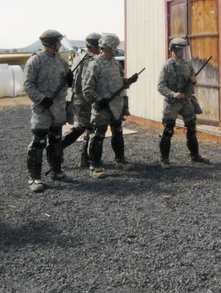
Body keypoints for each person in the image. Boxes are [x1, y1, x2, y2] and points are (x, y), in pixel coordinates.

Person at [81, 34, 139, 177]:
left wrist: (129, 81)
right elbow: (87, 88)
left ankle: (120, 160)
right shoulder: (95, 64)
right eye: (115, 47)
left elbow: (119, 83)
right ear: (107, 48)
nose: (116, 49)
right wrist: (99, 100)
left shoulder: (114, 63)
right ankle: (95, 167)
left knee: (117, 133)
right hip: (102, 108)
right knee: (99, 136)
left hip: (116, 106)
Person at [23, 29, 73, 192]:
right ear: (51, 42)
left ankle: (57, 172)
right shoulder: (36, 61)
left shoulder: (60, 60)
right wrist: (41, 98)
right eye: (58, 41)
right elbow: (28, 85)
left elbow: (65, 83)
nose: (60, 44)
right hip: (43, 109)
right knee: (39, 142)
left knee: (56, 140)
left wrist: (69, 80)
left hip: (58, 108)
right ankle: (34, 178)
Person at [157, 37, 210, 167]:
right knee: (168, 129)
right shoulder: (167, 66)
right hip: (172, 102)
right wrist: (173, 94)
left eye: (184, 50)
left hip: (186, 100)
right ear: (173, 50)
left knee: (191, 127)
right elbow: (161, 86)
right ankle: (164, 159)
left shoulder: (187, 65)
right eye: (180, 50)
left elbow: (192, 84)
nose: (183, 53)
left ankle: (195, 156)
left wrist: (193, 82)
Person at [61, 32, 101, 169]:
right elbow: (88, 81)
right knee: (87, 127)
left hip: (77, 96)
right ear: (95, 46)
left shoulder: (80, 55)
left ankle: (85, 159)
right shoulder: (91, 59)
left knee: (87, 127)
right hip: (84, 98)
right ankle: (57, 147)